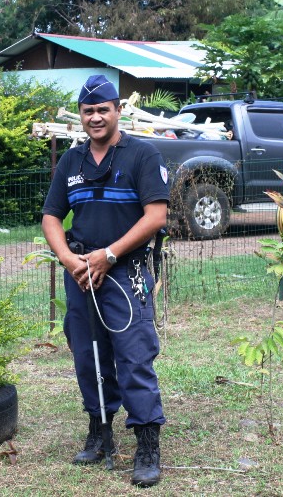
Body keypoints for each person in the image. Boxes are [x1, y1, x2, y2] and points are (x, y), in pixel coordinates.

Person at [41, 75, 169, 488]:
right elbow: (51, 217)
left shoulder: (142, 156)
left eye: (103, 109)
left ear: (118, 111)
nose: (95, 117)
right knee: (88, 357)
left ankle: (147, 445)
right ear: (80, 115)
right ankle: (100, 433)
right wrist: (68, 258)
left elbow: (156, 216)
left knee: (133, 356)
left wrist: (109, 254)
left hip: (124, 272)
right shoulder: (71, 162)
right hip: (80, 274)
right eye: (88, 111)